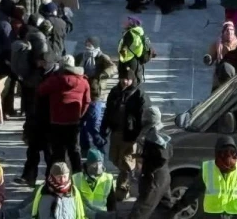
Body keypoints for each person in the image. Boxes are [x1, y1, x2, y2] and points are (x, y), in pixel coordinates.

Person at [167, 136, 237, 219]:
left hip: (212, 215)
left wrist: (175, 209)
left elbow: (193, 192)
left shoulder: (208, 167)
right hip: (235, 215)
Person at [37, 55, 92, 171]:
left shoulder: (54, 80)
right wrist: (80, 114)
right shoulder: (83, 81)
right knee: (75, 150)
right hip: (74, 121)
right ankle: (77, 175)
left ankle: (59, 174)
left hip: (56, 121)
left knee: (58, 151)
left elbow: (41, 90)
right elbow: (87, 101)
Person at [101, 68, 145, 197]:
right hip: (116, 133)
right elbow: (108, 111)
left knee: (126, 162)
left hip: (130, 135)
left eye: (128, 79)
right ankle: (129, 176)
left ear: (133, 79)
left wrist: (138, 135)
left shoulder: (139, 94)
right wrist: (104, 127)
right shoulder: (115, 92)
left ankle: (123, 189)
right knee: (115, 159)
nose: (125, 81)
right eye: (123, 78)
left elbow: (143, 116)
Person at [127, 106, 171, 219]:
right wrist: (140, 156)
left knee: (142, 209)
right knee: (165, 209)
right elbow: (166, 153)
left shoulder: (155, 136)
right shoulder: (162, 131)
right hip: (164, 176)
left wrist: (150, 170)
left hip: (154, 178)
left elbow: (162, 158)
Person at [73, 149, 115, 218]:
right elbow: (76, 203)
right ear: (88, 164)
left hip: (102, 216)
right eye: (94, 164)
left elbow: (111, 202)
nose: (98, 167)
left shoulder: (108, 178)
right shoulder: (76, 178)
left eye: (100, 163)